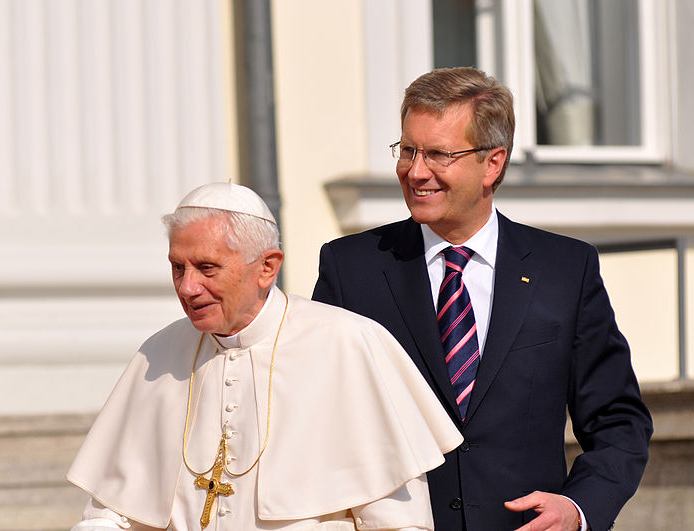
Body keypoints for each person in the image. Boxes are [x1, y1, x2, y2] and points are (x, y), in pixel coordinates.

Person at [312, 67, 652, 531]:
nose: (415, 171)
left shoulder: (565, 270)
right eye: (408, 150)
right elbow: (316, 418)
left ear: (492, 163)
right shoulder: (350, 269)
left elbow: (618, 422)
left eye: (437, 154)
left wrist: (577, 508)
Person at [67, 182, 463, 531]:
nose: (188, 287)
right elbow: (111, 514)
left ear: (267, 268)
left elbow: (395, 522)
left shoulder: (349, 344)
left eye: (207, 268)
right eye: (177, 267)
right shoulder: (159, 355)